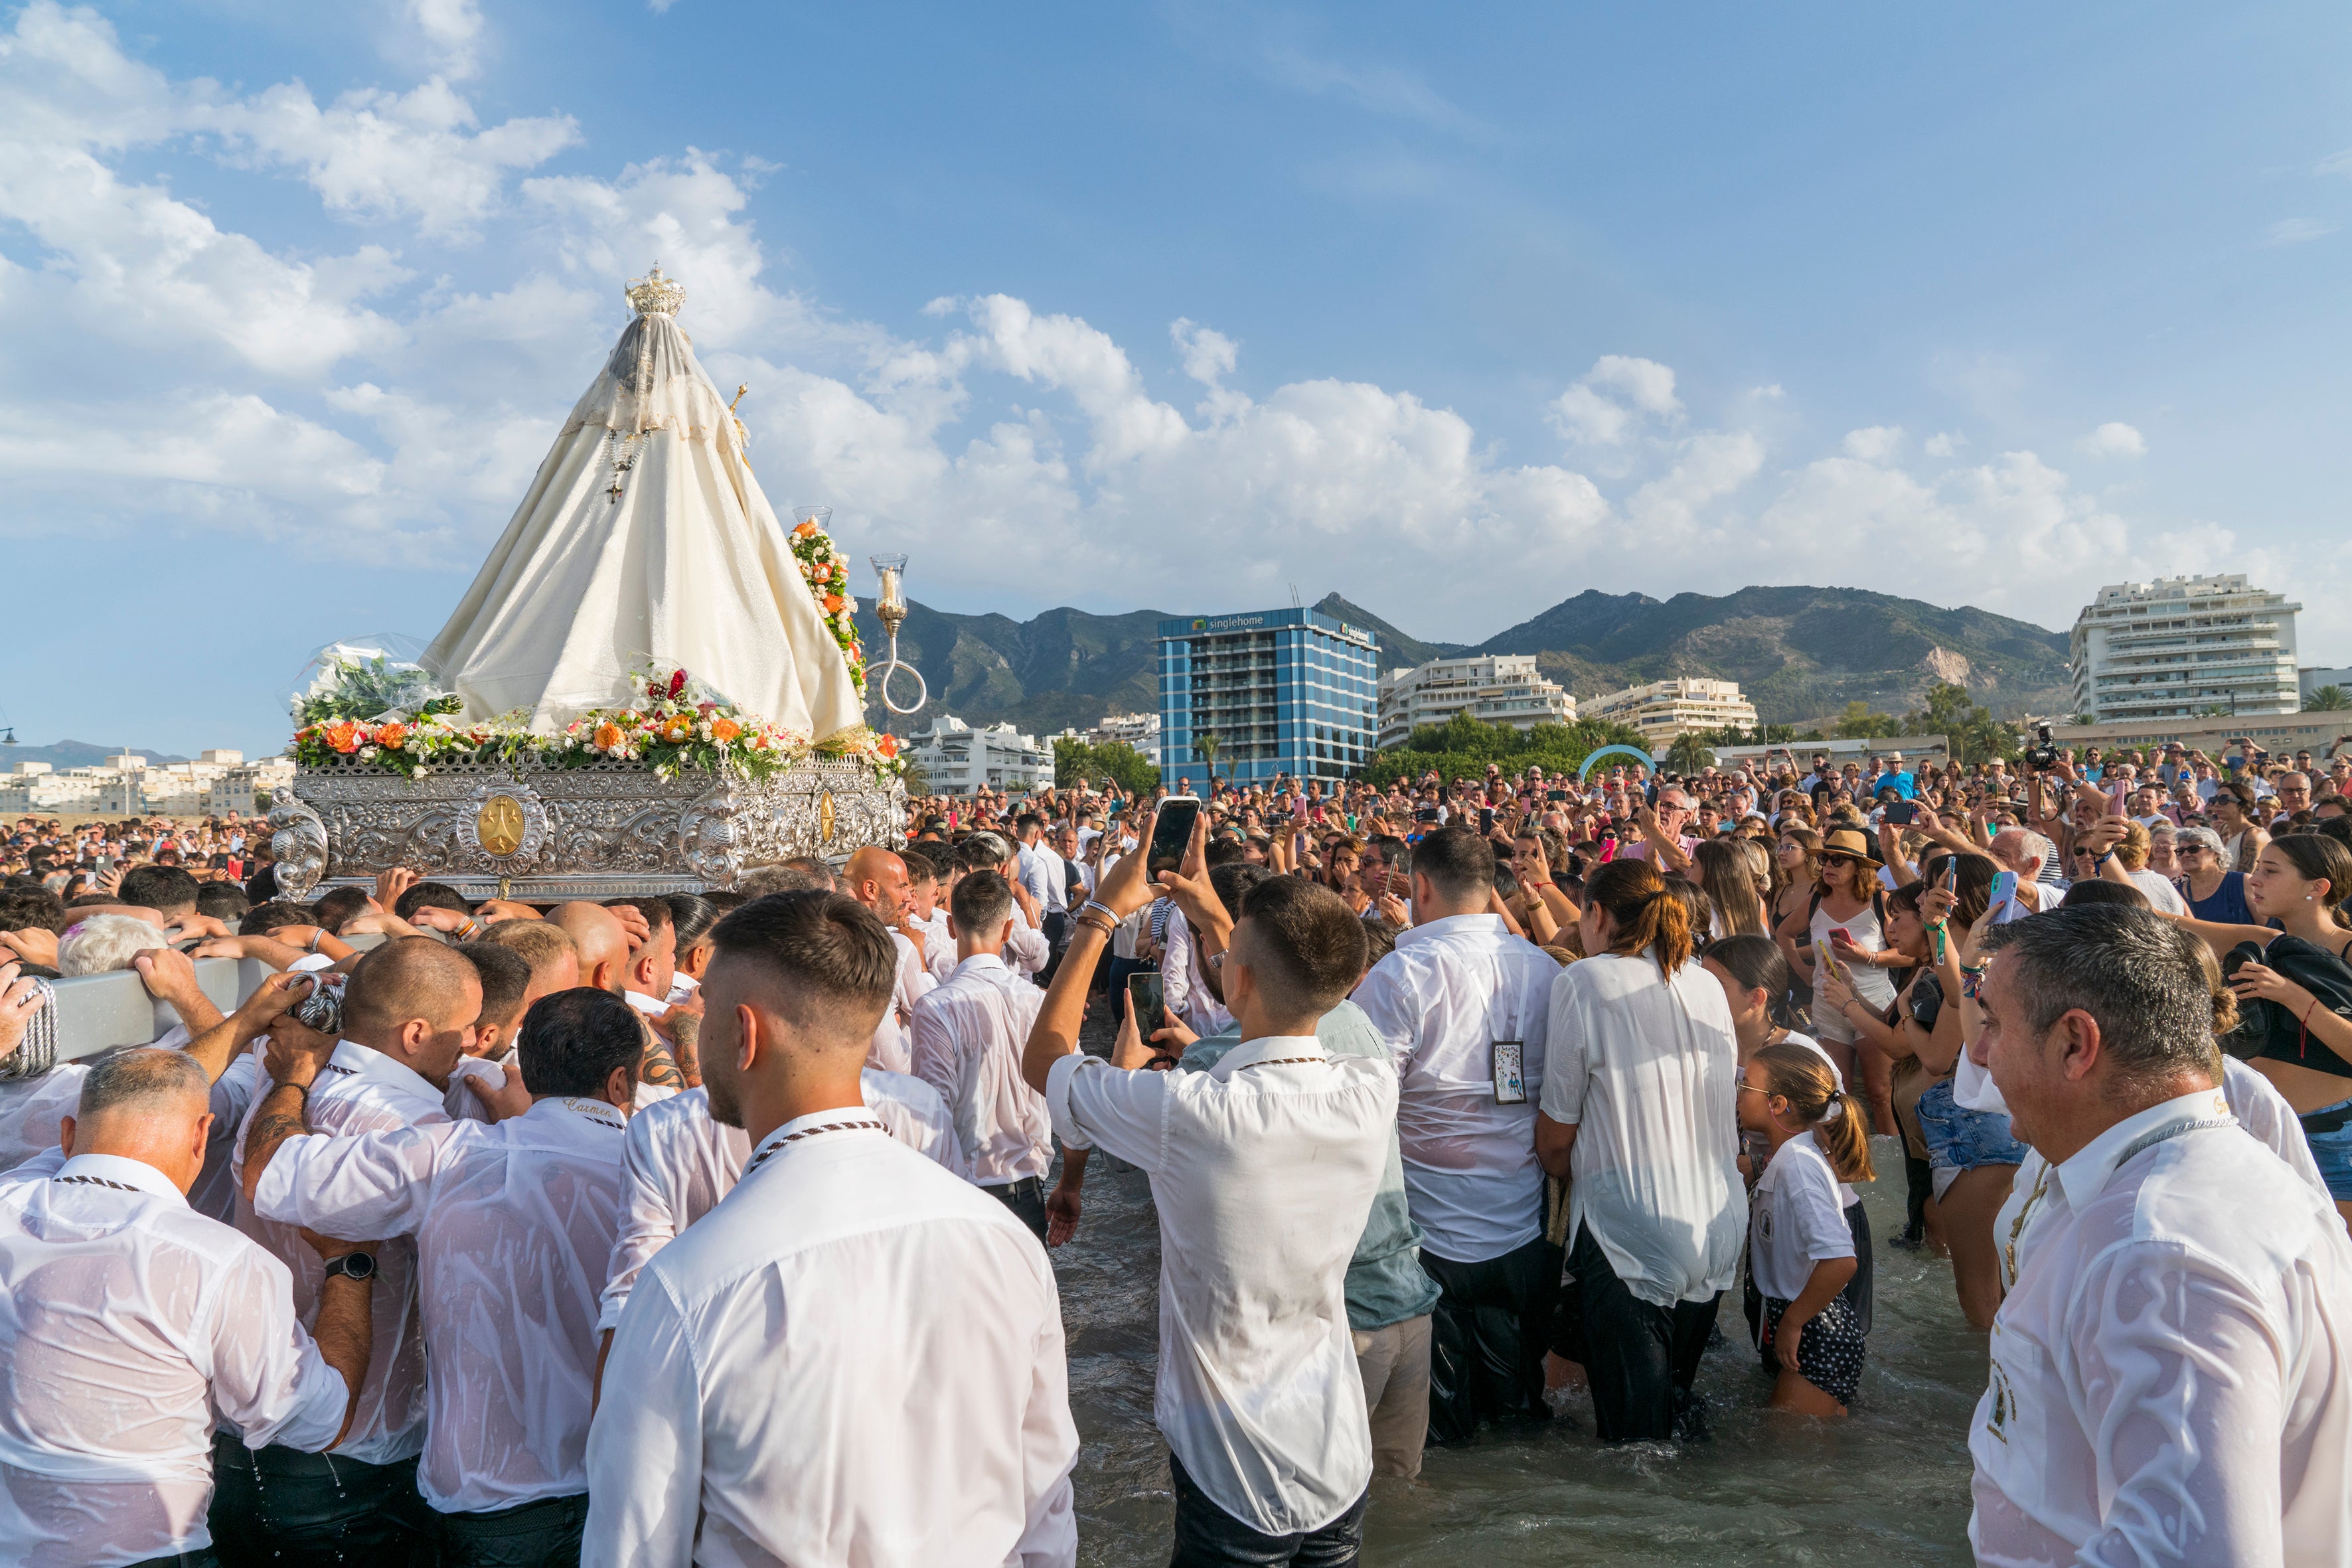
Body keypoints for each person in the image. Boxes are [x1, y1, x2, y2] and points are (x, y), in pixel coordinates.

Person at [586, 892, 1077, 1566]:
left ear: (743, 1033)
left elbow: (632, 1547)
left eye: (701, 1012)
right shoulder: (1007, 1243)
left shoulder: (685, 1289)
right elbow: (1047, 1501)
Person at [1025, 819, 1395, 1565]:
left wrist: (1101, 912)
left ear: (1239, 981)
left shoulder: (1191, 1112)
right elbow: (1286, 1003)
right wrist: (1215, 919)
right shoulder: (1371, 1084)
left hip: (1232, 1469)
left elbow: (1044, 1059)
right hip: (1337, 1450)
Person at [1968, 904, 2352, 1564]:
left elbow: (2192, 1553)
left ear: (2074, 1043)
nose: (1978, 1053)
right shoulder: (2193, 1188)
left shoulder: (2160, 1253)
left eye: (1993, 1025)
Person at [246, 988, 642, 1566]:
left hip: (493, 1499)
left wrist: (294, 1077)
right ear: (621, 1083)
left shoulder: (450, 1156)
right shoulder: (668, 1167)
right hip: (634, 1489)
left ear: (526, 1070)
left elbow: (270, 1174)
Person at [0, 1049, 377, 1568]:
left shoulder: (9, 1198)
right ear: (203, 1135)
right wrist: (349, 1265)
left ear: (67, 1134)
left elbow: (91, 1152)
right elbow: (316, 1421)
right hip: (142, 1554)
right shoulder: (218, 1260)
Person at [217, 937, 484, 1561]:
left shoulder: (281, 1087)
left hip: (245, 1428)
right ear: (416, 1033)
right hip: (354, 1452)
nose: (470, 1044)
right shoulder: (417, 1130)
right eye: (463, 1029)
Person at [1352, 823, 1562, 1443]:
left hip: (1431, 1236)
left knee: (1445, 1437)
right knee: (1519, 1419)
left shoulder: (1401, 973)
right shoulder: (1543, 971)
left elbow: (1365, 1105)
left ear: (1420, 886)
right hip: (1523, 1227)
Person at [1537, 858, 1743, 1443]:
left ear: (1597, 913)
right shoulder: (1703, 980)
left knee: (1635, 1447)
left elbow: (1556, 1135)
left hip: (1631, 1230)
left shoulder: (1583, 980)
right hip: (1719, 1222)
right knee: (1677, 1416)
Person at [909, 868, 1086, 1245]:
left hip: (964, 1190)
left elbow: (932, 1112)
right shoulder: (1039, 1002)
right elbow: (1074, 1098)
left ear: (952, 927)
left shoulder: (935, 1008)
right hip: (1027, 1187)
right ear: (1008, 931)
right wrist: (1072, 1184)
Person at [1737, 1041, 1871, 1416]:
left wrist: (1793, 1323)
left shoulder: (1798, 1166)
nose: (1738, 1093)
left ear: (1777, 1104)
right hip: (1803, 1329)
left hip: (1816, 1335)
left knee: (1789, 1463)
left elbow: (1842, 1260)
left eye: (1746, 1085)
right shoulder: (1788, 1159)